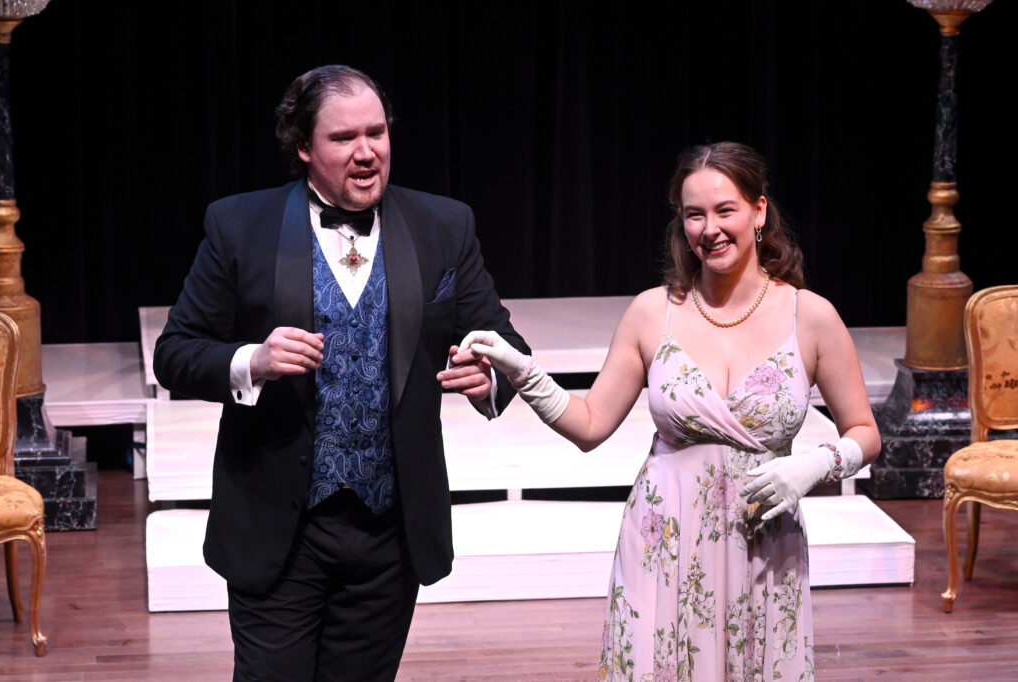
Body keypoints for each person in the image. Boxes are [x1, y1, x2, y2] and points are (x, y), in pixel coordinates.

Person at [153, 64, 528, 681]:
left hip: (390, 531)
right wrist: (253, 359)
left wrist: (491, 379)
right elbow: (176, 353)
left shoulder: (444, 225)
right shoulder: (237, 226)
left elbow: (504, 341)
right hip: (280, 526)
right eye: (343, 138)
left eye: (377, 133)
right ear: (303, 147)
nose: (366, 152)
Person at [460, 141, 880, 680]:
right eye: (694, 215)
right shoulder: (651, 312)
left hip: (763, 543)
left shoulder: (811, 316)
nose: (711, 228)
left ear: (759, 211)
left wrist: (819, 463)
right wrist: (524, 372)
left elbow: (865, 432)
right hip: (663, 541)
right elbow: (589, 426)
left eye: (725, 210)